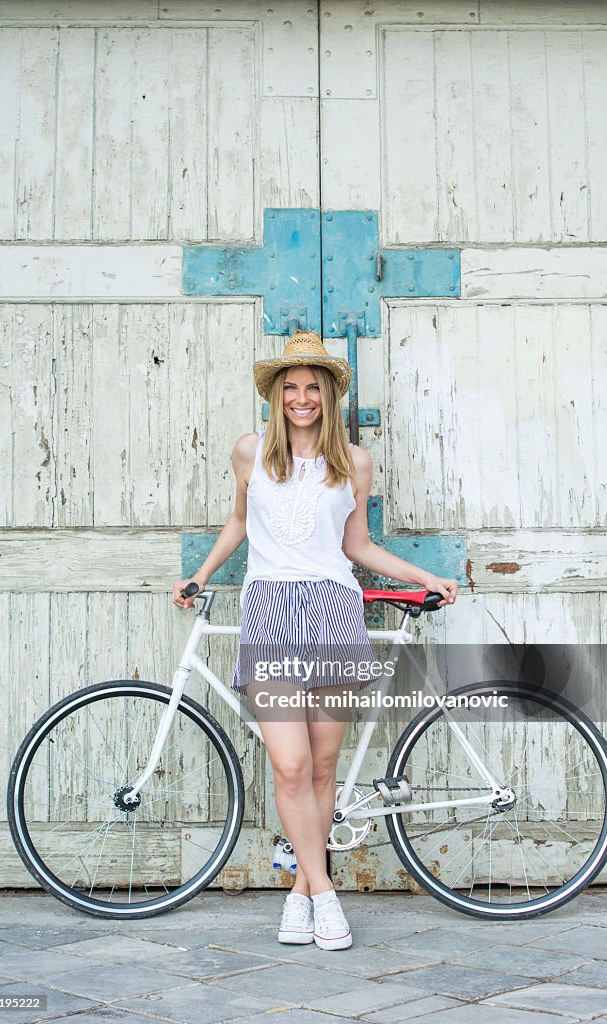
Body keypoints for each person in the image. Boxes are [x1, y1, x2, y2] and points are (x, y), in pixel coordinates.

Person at [173, 330, 458, 951]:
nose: (302, 398)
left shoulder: (353, 462)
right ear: (276, 395)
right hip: (270, 613)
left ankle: (301, 896)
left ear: (328, 396)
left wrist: (423, 576)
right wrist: (199, 573)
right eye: (292, 387)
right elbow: (241, 523)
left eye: (313, 388)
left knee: (324, 765)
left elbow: (356, 546)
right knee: (291, 763)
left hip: (333, 611)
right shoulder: (251, 452)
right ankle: (326, 894)